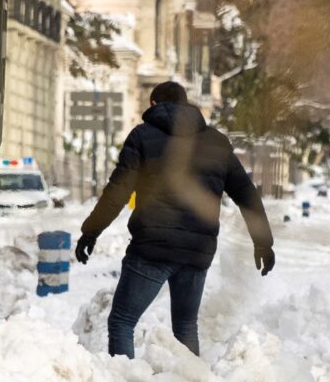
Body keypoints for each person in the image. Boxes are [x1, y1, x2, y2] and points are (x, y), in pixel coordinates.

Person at [74, 82, 276, 357]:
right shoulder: (215, 142)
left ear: (155, 105)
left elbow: (117, 191)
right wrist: (263, 242)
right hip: (197, 252)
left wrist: (91, 231)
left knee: (122, 321)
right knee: (185, 325)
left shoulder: (142, 136)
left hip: (153, 248)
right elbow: (246, 194)